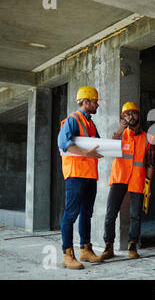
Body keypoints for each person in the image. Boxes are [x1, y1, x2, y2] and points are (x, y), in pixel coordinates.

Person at [57, 86, 104, 270]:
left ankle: (86, 249)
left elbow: (98, 145)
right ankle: (67, 254)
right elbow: (64, 144)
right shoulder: (72, 120)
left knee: (87, 213)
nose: (97, 105)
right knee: (71, 214)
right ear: (85, 102)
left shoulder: (91, 123)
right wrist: (87, 153)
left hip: (89, 175)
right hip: (76, 174)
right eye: (95, 101)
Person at [101, 102, 154, 260]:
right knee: (111, 213)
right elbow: (110, 150)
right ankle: (108, 246)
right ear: (123, 118)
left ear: (139, 115)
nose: (131, 116)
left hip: (137, 179)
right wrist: (119, 130)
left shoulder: (148, 138)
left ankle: (132, 245)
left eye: (133, 113)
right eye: (127, 114)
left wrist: (148, 186)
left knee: (135, 215)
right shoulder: (119, 134)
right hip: (119, 177)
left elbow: (150, 163)